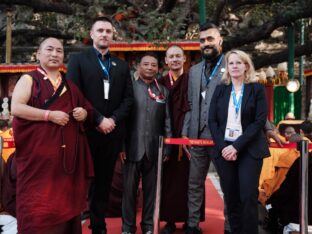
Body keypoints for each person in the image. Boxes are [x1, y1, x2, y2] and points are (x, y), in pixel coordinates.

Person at [11, 37, 95, 234]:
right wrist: (49, 115)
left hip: (65, 166)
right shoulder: (29, 79)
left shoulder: (69, 85)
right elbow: (16, 107)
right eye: (49, 50)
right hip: (37, 162)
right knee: (38, 208)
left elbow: (86, 109)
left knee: (65, 209)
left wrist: (83, 113)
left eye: (59, 51)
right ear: (38, 54)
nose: (55, 54)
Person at [66, 16, 133, 234]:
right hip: (86, 131)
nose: (104, 34)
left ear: (113, 36)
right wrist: (98, 119)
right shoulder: (78, 60)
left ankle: (98, 226)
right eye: (100, 30)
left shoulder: (121, 66)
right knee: (79, 181)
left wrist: (112, 120)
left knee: (104, 182)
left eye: (108, 31)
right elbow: (75, 94)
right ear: (92, 34)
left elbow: (128, 99)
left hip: (112, 133)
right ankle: (73, 225)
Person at [208, 49, 270, 234]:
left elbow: (259, 121)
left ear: (246, 66)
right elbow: (212, 121)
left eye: (238, 62)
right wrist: (225, 147)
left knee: (248, 196)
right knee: (231, 197)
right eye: (231, 63)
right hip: (225, 148)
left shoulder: (257, 89)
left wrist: (236, 146)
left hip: (249, 149)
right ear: (227, 67)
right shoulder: (220, 89)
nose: (234, 66)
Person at [181, 22, 227, 234]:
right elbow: (190, 105)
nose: (206, 43)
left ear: (220, 41)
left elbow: (246, 100)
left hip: (224, 138)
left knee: (227, 185)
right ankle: (192, 225)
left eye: (210, 39)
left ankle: (229, 226)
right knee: (194, 184)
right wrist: (185, 132)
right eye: (202, 40)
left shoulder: (232, 63)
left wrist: (267, 127)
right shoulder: (194, 70)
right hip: (197, 136)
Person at [120, 52, 172, 234]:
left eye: (153, 65)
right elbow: (123, 120)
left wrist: (167, 147)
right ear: (138, 66)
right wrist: (122, 146)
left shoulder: (163, 91)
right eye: (146, 64)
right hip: (132, 148)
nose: (150, 68)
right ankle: (127, 228)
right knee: (128, 192)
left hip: (155, 149)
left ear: (158, 68)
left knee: (151, 191)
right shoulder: (129, 89)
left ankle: (148, 226)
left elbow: (167, 121)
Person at [158, 45, 204, 233]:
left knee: (192, 179)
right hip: (167, 137)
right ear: (166, 61)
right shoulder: (159, 82)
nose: (175, 59)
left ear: (184, 59)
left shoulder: (192, 81)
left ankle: (191, 221)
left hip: (190, 135)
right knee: (167, 179)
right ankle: (168, 220)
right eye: (171, 57)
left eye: (178, 56)